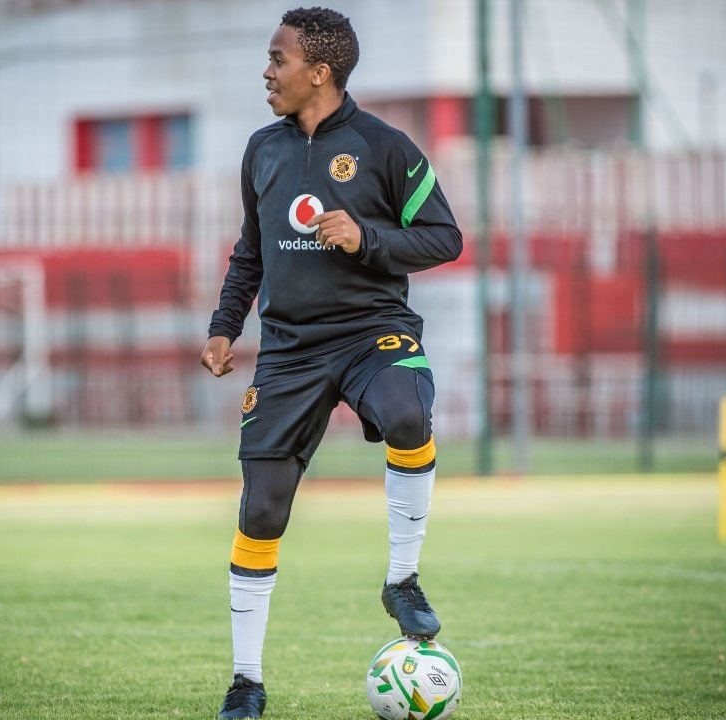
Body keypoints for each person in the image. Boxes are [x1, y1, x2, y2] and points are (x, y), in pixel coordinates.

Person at [200, 7, 463, 718]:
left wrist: (368, 237)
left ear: (319, 71)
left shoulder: (386, 147)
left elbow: (445, 237)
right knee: (261, 510)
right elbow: (250, 250)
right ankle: (246, 682)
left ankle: (402, 580)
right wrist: (226, 327)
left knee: (408, 413)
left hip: (370, 331)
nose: (267, 70)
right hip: (287, 349)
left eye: (277, 59)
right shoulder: (262, 150)